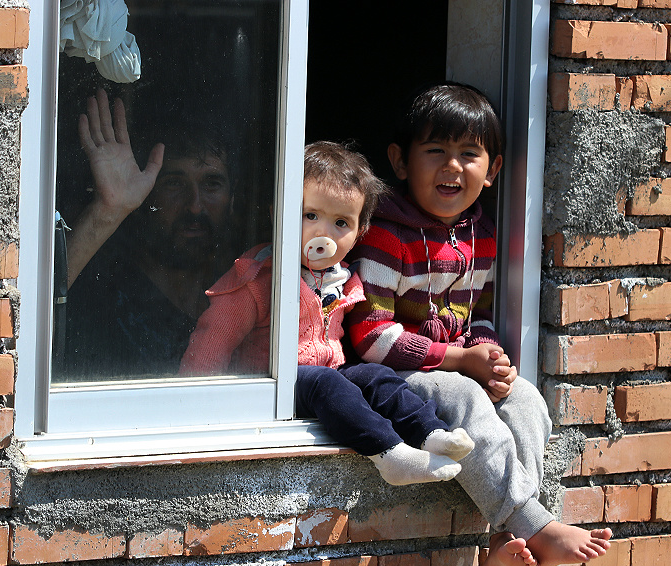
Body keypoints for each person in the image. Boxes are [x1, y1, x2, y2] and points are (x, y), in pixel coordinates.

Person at [345, 82, 612, 566]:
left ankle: (504, 544)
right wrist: (460, 362)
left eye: (469, 154)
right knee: (466, 399)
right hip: (392, 380)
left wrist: (487, 353)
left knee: (527, 402)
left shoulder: (479, 233)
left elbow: (479, 315)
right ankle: (533, 523)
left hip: (454, 369)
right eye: (436, 151)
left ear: (492, 171)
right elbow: (370, 339)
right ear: (400, 162)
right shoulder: (385, 235)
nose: (452, 166)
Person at [180, 141, 475, 486]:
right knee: (328, 383)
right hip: (271, 382)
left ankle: (430, 432)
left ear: (359, 232)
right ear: (280, 212)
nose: (323, 233)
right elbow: (214, 336)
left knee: (375, 376)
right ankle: (390, 453)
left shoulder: (344, 278)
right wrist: (196, 401)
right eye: (310, 216)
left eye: (340, 222)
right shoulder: (260, 277)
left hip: (328, 372)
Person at [53, 88, 242, 381]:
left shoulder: (252, 291)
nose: (195, 206)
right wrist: (108, 211)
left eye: (212, 184)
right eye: (174, 183)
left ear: (232, 199)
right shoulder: (107, 293)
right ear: (147, 191)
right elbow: (27, 319)